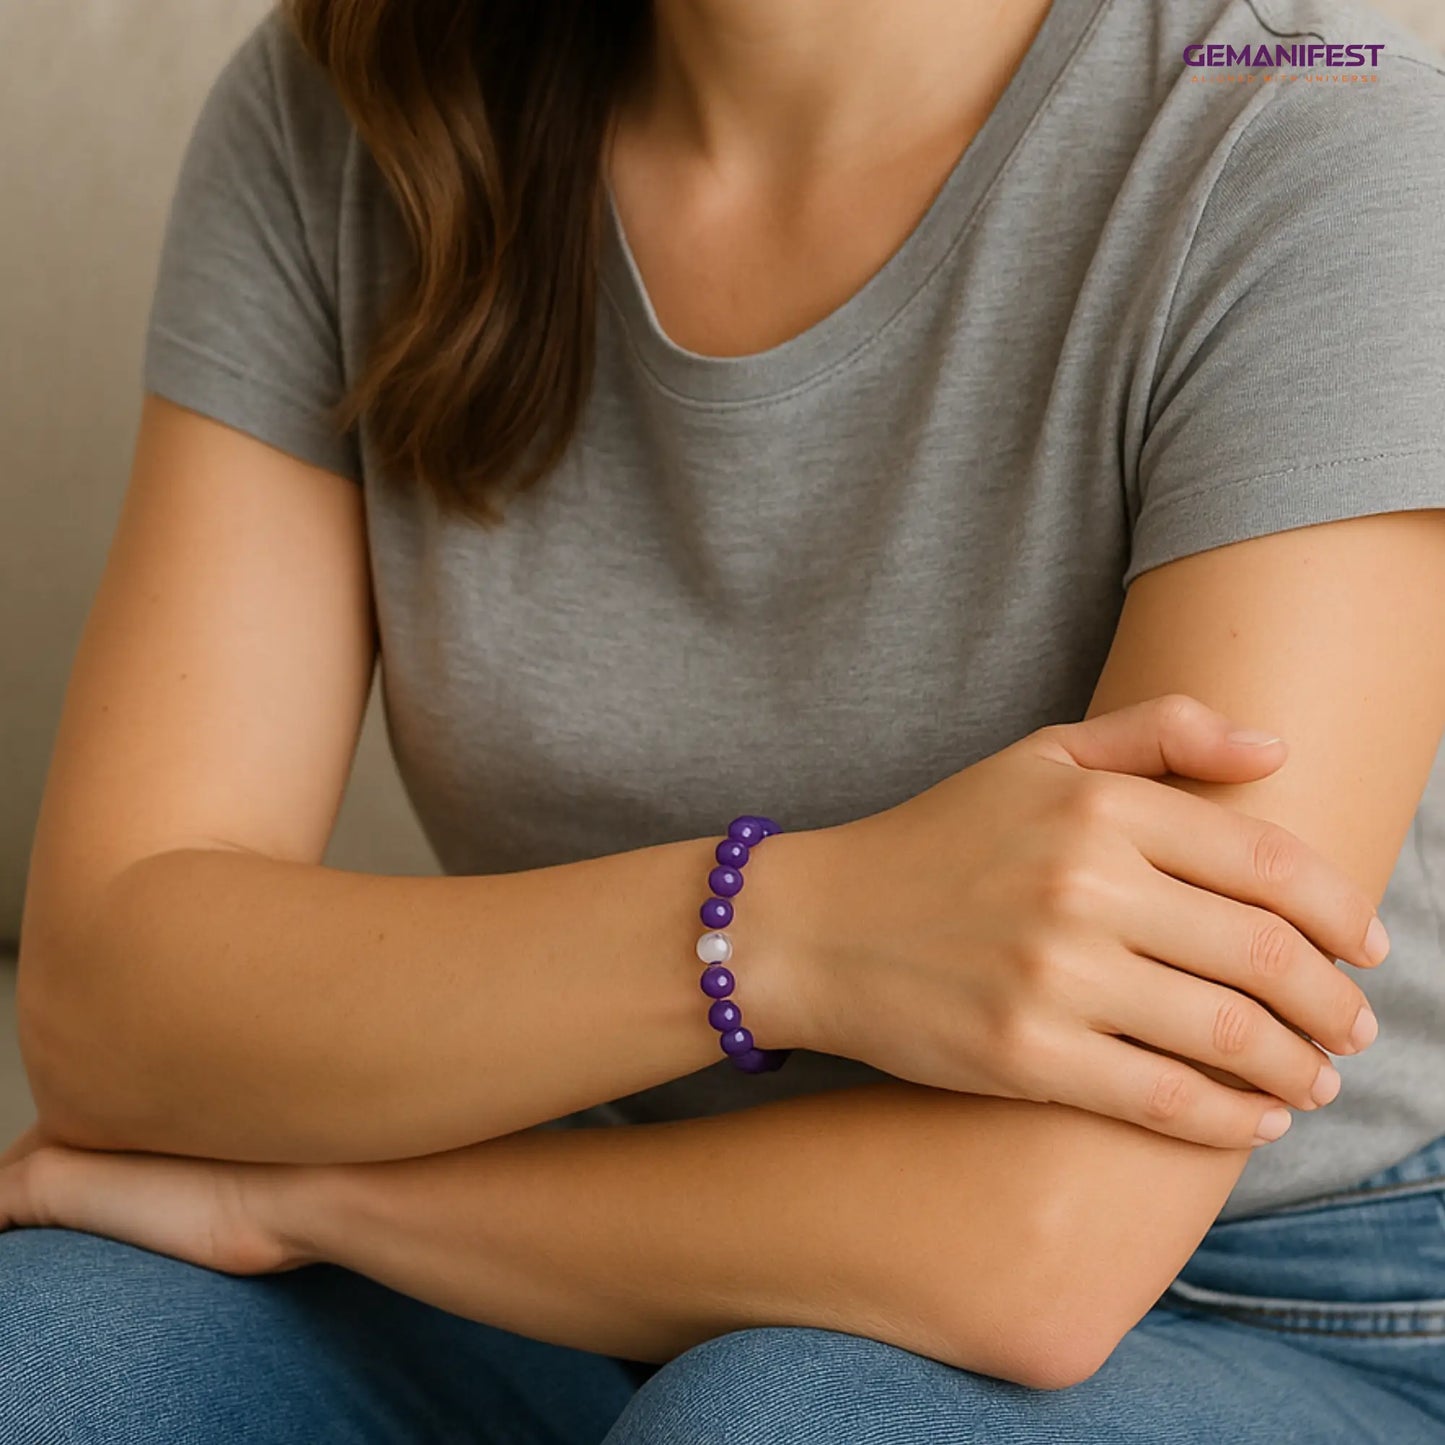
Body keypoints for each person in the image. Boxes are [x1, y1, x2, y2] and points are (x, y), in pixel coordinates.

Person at [3, 0, 1445, 1439]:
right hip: (576, 1220)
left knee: (775, 1424)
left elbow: (1041, 1248)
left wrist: (310, 1198)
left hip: (1256, 1299)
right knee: (48, 1359)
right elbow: (109, 1005)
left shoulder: (1316, 130)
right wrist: (791, 927)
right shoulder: (357, 102)